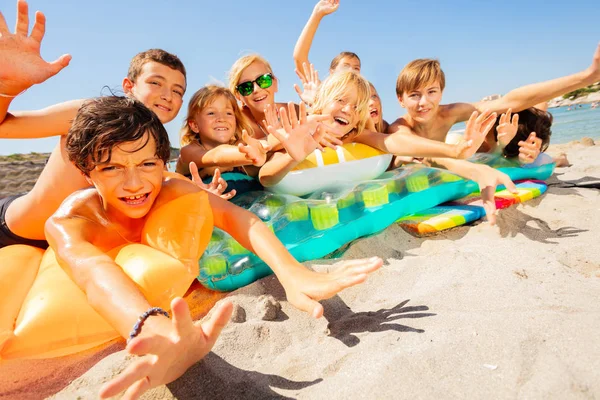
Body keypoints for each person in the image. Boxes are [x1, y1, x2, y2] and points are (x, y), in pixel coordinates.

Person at [45, 95, 383, 399]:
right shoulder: (68, 223)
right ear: (87, 173)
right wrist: (155, 329)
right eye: (111, 168)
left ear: (163, 163)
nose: (134, 183)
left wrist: (291, 272)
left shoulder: (171, 188)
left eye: (147, 164)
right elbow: (94, 273)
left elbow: (240, 219)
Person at [0, 1, 226, 249]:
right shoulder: (87, 114)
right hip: (18, 233)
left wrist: (200, 198)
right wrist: (6, 87)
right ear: (129, 86)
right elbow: (5, 127)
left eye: (177, 90)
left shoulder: (156, 150)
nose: (167, 95)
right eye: (156, 83)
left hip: (78, 244)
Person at [257, 71, 497, 187]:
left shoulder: (355, 133)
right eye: (340, 100)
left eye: (356, 106)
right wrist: (292, 156)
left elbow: (392, 142)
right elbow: (266, 178)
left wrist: (454, 151)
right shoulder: (300, 129)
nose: (348, 110)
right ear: (321, 101)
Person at [388, 47, 600, 150]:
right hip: (443, 157)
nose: (424, 102)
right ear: (401, 100)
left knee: (529, 120)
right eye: (414, 95)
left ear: (441, 92)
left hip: (455, 154)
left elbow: (509, 102)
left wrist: (586, 77)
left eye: (432, 92)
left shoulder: (449, 113)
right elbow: (408, 144)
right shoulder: (400, 127)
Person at [175, 85, 269, 195]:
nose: (222, 118)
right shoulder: (189, 152)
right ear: (195, 125)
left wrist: (264, 145)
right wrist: (250, 154)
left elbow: (268, 141)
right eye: (211, 113)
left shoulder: (239, 145)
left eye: (228, 113)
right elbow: (216, 155)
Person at [293, 0, 360, 75]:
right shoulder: (321, 87)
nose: (352, 70)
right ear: (332, 72)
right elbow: (300, 57)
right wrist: (317, 14)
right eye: (345, 66)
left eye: (356, 68)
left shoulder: (367, 86)